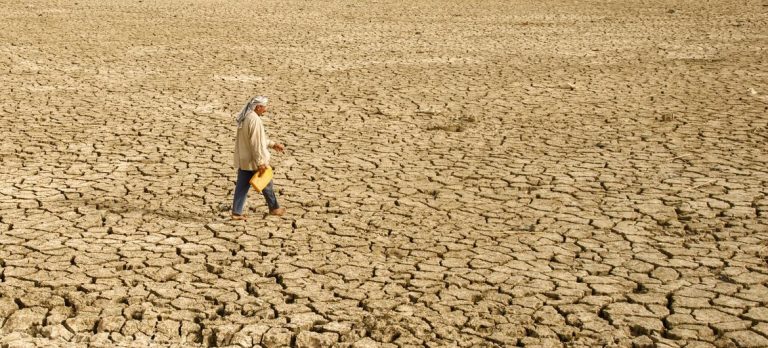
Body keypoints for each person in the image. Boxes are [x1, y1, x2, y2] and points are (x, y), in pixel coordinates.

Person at [231, 96, 286, 220]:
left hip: (244, 160)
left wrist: (272, 144)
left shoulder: (246, 116)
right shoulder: (254, 120)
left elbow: (257, 139)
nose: (265, 110)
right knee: (267, 183)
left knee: (241, 186)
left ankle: (236, 212)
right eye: (264, 107)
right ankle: (274, 208)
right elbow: (256, 143)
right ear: (258, 107)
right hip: (253, 160)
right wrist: (261, 162)